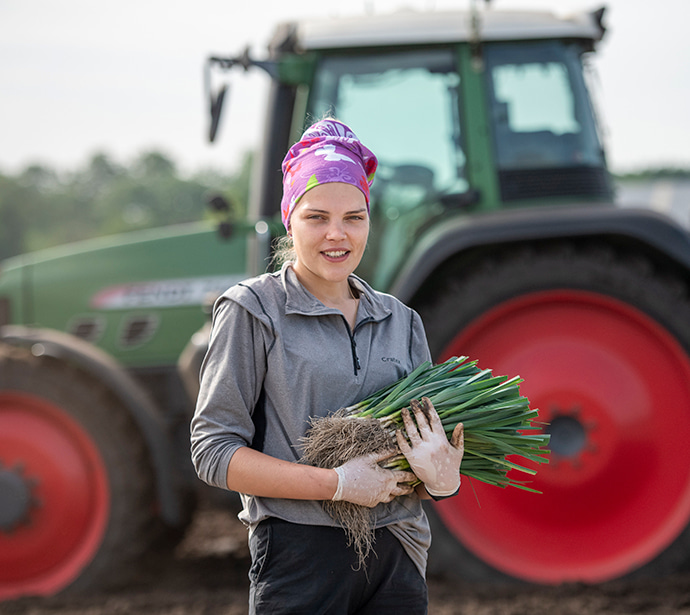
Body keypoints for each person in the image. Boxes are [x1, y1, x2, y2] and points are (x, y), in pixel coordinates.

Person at [190, 118, 464, 615]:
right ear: (289, 219)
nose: (337, 235)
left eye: (353, 217)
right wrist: (336, 484)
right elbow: (213, 451)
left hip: (398, 554)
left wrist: (443, 478)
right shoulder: (254, 310)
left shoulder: (400, 320)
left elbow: (418, 449)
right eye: (317, 217)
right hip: (300, 557)